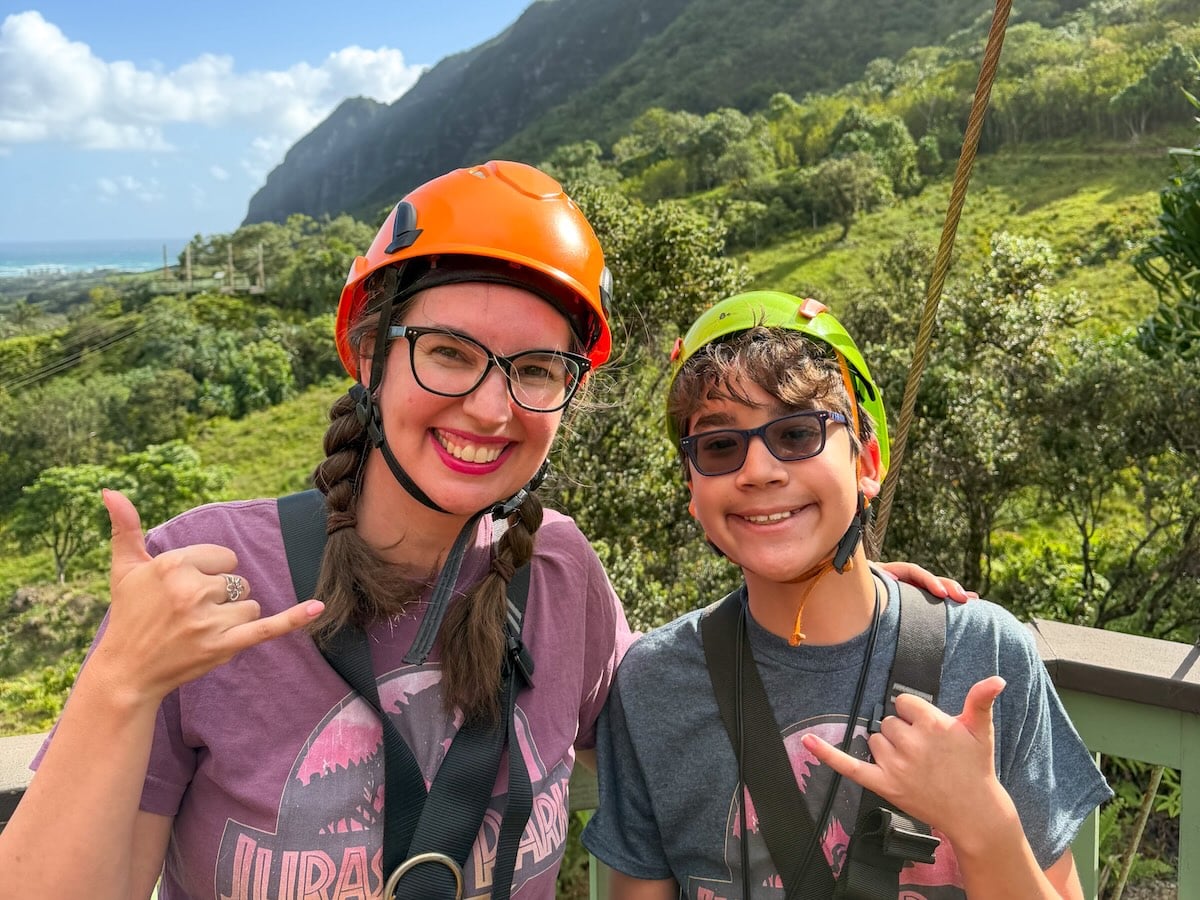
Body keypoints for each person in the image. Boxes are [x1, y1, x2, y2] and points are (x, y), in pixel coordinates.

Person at [2, 166, 968, 900]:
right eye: (450, 354)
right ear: (373, 358)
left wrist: (827, 586)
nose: (489, 407)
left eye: (536, 370)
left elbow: (690, 697)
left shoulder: (559, 575)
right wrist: (120, 684)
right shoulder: (209, 576)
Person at [581, 290, 1113, 899]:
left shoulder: (986, 654)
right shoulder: (656, 683)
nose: (758, 471)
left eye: (798, 433)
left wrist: (981, 820)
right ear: (693, 492)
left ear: (868, 461)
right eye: (720, 446)